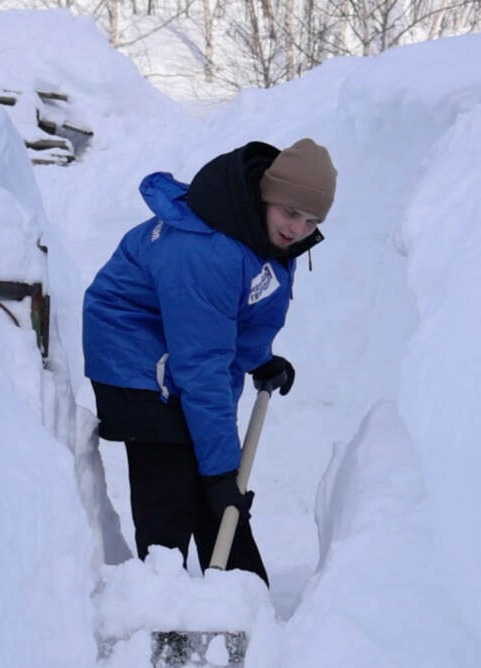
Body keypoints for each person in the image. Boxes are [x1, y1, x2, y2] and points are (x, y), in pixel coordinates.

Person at [82, 139, 337, 585]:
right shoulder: (208, 250)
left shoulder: (258, 233)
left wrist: (258, 360)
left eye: (311, 219)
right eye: (291, 213)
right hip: (133, 357)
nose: (299, 229)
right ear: (265, 194)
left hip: (178, 342)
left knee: (215, 483)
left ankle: (243, 592)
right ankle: (162, 610)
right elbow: (202, 366)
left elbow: (236, 316)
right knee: (177, 484)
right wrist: (221, 474)